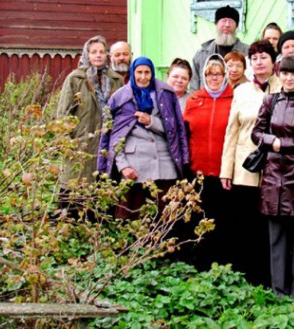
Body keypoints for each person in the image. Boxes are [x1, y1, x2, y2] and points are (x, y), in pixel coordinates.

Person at [251, 56, 294, 301]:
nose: (289, 78)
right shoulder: (270, 101)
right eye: (285, 73)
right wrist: (273, 142)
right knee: (276, 235)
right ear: (279, 75)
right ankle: (278, 291)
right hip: (273, 175)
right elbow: (256, 132)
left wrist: (285, 145)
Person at [97, 57, 189, 219]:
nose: (143, 77)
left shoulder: (165, 94)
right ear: (133, 73)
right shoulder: (120, 98)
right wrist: (123, 166)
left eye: (147, 72)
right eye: (139, 72)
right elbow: (113, 137)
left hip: (164, 165)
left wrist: (151, 121)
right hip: (135, 167)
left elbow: (174, 129)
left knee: (165, 218)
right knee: (132, 218)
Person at [220, 40, 281, 284]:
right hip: (245, 166)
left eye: (263, 57)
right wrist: (226, 170)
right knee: (244, 220)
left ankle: (267, 274)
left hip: (275, 166)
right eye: (254, 58)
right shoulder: (242, 91)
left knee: (268, 222)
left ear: (273, 61)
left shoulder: (282, 88)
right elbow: (231, 131)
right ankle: (243, 272)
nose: (258, 62)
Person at [183, 54, 234, 267]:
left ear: (225, 75)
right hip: (199, 171)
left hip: (224, 173)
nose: (214, 78)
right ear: (204, 75)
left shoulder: (234, 99)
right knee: (200, 218)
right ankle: (201, 263)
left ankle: (222, 264)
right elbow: (185, 133)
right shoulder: (194, 100)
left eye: (218, 74)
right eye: (209, 74)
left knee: (223, 220)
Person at [57, 35, 124, 186]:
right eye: (94, 52)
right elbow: (64, 114)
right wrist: (66, 143)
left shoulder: (116, 80)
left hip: (109, 144)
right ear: (87, 54)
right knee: (76, 188)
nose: (98, 55)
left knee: (104, 190)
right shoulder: (76, 79)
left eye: (102, 51)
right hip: (81, 143)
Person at [190, 5, 249, 92]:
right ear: (216, 24)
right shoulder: (202, 54)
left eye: (231, 21)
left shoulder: (247, 52)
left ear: (236, 26)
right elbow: (194, 87)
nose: (227, 25)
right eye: (224, 21)